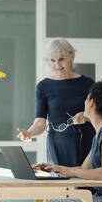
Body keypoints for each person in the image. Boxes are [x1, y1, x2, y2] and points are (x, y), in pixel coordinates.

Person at [17, 38, 95, 167]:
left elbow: (100, 118)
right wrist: (29, 133)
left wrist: (86, 117)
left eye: (61, 59)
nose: (57, 65)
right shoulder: (43, 86)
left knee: (85, 184)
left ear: (72, 56)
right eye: (52, 60)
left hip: (86, 141)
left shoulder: (88, 84)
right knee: (61, 183)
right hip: (58, 144)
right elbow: (40, 122)